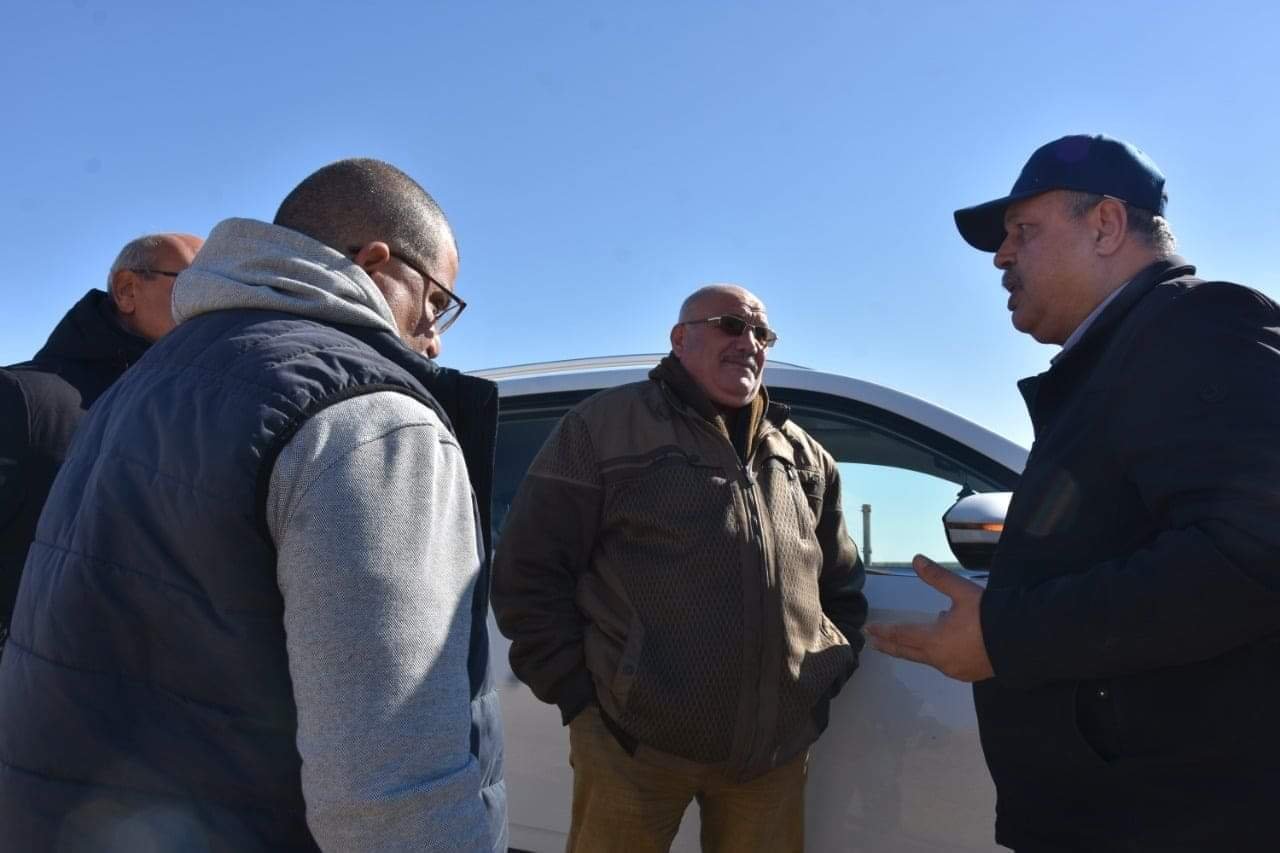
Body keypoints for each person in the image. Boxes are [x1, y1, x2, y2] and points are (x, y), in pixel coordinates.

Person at [0, 159, 506, 851]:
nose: (436, 334)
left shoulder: (138, 387)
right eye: (437, 301)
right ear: (375, 263)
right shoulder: (371, 422)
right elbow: (392, 796)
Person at [866, 134, 1280, 851]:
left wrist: (1004, 637)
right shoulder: (1123, 357)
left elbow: (1252, 558)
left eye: (1023, 231)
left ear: (1107, 225)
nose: (1001, 257)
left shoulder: (1201, 327)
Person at [493, 284, 867, 853]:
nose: (749, 342)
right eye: (730, 325)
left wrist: (817, 683)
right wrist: (580, 697)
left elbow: (841, 585)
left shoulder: (804, 456)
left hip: (773, 754)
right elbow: (530, 570)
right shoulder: (602, 426)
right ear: (679, 338)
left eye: (762, 333)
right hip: (632, 744)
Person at [0, 232, 203, 652]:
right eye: (195, 284)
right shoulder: (22, 400)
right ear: (127, 290)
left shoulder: (203, 413)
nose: (213, 302)